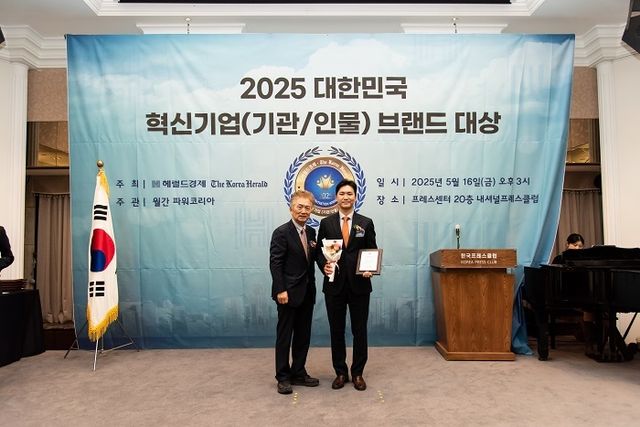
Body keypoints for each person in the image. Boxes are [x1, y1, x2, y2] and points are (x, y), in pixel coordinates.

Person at [316, 179, 377, 391]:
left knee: (360, 330)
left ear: (355, 197)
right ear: (336, 197)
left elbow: (371, 250)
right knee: (337, 330)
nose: (345, 197)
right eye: (342, 193)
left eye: (349, 193)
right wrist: (324, 266)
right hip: (334, 285)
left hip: (360, 285)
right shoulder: (326, 223)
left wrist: (370, 268)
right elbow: (319, 253)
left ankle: (358, 372)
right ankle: (340, 372)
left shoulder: (365, 223)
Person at [269, 190, 320, 395]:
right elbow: (275, 263)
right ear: (291, 208)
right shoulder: (281, 232)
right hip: (287, 294)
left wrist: (328, 265)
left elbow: (315, 259)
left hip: (307, 293)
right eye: (300, 206)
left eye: (307, 207)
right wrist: (281, 289)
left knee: (303, 335)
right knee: (284, 336)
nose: (303, 211)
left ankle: (298, 372)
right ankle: (283, 377)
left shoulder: (312, 233)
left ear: (312, 210)